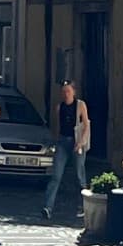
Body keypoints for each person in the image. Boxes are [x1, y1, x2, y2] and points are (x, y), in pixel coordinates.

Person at [40, 80, 90, 222]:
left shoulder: (80, 105)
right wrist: (55, 142)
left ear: (74, 92)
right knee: (56, 175)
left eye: (68, 91)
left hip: (77, 141)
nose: (66, 94)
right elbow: (58, 127)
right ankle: (48, 207)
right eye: (64, 91)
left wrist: (81, 143)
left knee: (80, 175)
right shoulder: (59, 107)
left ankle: (83, 206)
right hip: (63, 141)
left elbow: (86, 125)